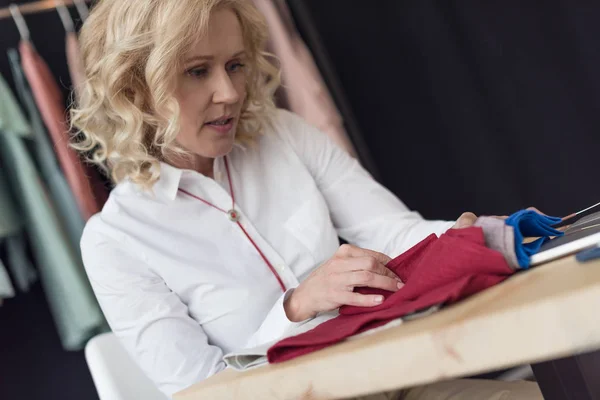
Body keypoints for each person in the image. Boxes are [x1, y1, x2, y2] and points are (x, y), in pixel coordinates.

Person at [71, 0, 543, 399]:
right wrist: (294, 309)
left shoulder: (284, 135)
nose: (231, 91)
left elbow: (394, 231)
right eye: (198, 71)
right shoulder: (116, 241)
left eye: (236, 64)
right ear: (135, 89)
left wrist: (474, 236)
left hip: (399, 378)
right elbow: (204, 390)